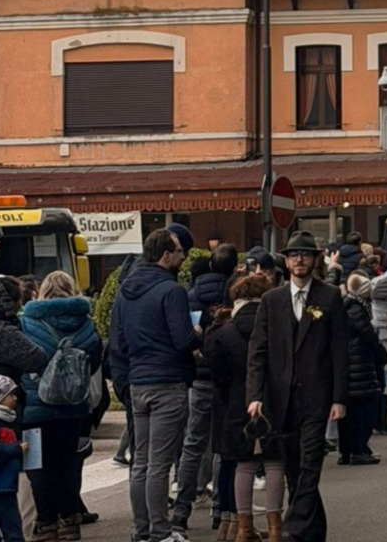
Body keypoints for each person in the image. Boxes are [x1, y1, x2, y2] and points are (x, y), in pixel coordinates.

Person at [246, 231, 349, 542]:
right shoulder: (271, 300)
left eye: (305, 254)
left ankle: (293, 526)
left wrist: (339, 397)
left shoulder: (330, 296)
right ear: (286, 262)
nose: (299, 260)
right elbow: (257, 351)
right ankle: (312, 531)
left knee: (310, 461)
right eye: (293, 255)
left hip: (317, 394)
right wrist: (254, 396)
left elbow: (340, 350)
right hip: (280, 396)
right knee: (293, 466)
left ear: (314, 259)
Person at [111, 228, 199, 542]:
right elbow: (183, 339)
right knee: (160, 463)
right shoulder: (171, 290)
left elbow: (120, 341)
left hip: (137, 380)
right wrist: (199, 335)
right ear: (165, 255)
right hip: (167, 380)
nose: (183, 257)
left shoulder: (125, 291)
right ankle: (161, 531)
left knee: (141, 461)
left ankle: (142, 529)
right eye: (179, 252)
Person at [18, 272, 102, 542]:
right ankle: (70, 522)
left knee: (37, 469)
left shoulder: (26, 322)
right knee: (67, 465)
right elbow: (95, 360)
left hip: (34, 410)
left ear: (42, 291)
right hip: (73, 408)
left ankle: (46, 525)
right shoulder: (86, 323)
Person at [205, 274, 285, 542]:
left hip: (236, 402)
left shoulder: (226, 332)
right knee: (274, 463)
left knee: (244, 465)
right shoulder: (275, 329)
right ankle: (275, 527)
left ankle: (244, 528)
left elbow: (218, 374)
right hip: (273, 400)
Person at [173, 244, 234, 533]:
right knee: (223, 444)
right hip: (225, 377)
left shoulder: (191, 296)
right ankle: (220, 509)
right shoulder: (233, 293)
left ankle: (182, 509)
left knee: (192, 443)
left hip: (198, 376)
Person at [340, 273, 385, 466]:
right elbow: (368, 334)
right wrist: (382, 355)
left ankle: (347, 450)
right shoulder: (357, 309)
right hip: (359, 362)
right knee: (362, 411)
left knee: (349, 412)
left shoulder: (346, 305)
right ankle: (358, 450)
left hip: (349, 362)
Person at [0, 373, 24, 542]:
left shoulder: (6, 421)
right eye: (10, 395)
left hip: (6, 486)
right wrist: (17, 449)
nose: (15, 398)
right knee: (12, 531)